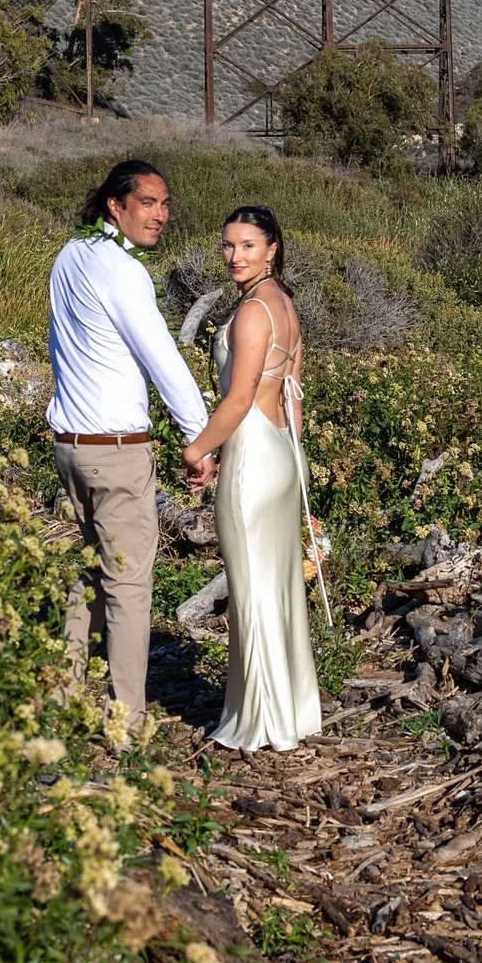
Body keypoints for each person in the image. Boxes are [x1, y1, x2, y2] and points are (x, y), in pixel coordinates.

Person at [46, 160, 212, 721]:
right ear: (115, 205)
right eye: (147, 202)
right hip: (114, 449)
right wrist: (200, 437)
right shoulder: (122, 269)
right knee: (128, 586)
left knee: (93, 569)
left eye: (166, 204)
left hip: (70, 444)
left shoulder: (70, 256)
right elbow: (161, 357)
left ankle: (60, 696)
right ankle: (125, 724)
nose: (160, 215)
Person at [181, 206, 322, 753]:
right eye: (227, 246)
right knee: (278, 582)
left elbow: (238, 399)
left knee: (254, 587)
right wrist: (297, 461)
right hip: (282, 452)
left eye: (247, 246)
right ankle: (290, 706)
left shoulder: (252, 313)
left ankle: (261, 719)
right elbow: (293, 396)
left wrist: (197, 450)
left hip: (252, 458)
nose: (234, 256)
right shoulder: (284, 307)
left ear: (272, 249)